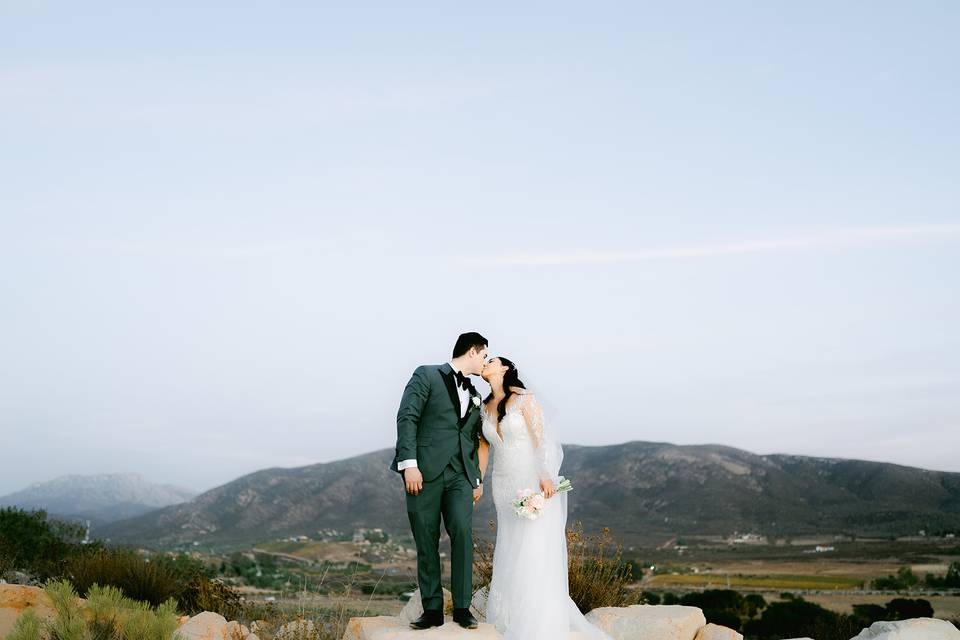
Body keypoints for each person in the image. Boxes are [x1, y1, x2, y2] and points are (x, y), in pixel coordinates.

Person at [478, 356, 614, 640]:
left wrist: (545, 473)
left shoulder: (524, 399)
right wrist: (477, 482)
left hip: (530, 479)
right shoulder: (484, 406)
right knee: (509, 543)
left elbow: (542, 439)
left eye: (491, 360)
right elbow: (483, 449)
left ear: (504, 368)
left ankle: (535, 617)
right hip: (502, 482)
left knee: (533, 545)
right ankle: (509, 614)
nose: (485, 362)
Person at [390, 332, 488, 630]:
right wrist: (410, 465)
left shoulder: (476, 395)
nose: (485, 362)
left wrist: (476, 477)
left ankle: (461, 608)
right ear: (473, 351)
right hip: (424, 473)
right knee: (426, 538)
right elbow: (407, 417)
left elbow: (473, 438)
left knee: (461, 531)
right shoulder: (426, 375)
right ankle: (432, 609)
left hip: (460, 476)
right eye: (484, 356)